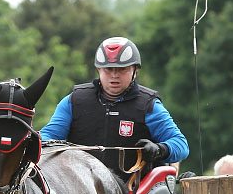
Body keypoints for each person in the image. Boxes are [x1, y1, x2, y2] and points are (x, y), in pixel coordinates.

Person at [39, 36, 189, 176]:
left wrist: (159, 150)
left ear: (134, 72)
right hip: (80, 190)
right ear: (99, 70)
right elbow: (48, 137)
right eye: (108, 69)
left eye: (122, 69)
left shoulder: (149, 106)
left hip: (135, 193)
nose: (114, 75)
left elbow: (181, 145)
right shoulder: (73, 101)